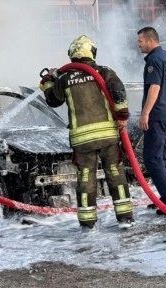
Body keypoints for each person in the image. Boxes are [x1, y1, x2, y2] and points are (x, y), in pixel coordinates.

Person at [39, 35, 135, 231]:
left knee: (85, 178)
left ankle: (87, 223)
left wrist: (48, 82)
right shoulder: (104, 72)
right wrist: (122, 116)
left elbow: (53, 101)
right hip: (108, 135)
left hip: (82, 141)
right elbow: (118, 90)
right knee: (115, 173)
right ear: (91, 52)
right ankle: (125, 218)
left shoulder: (64, 78)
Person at [136, 26, 166, 216]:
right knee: (163, 157)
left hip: (157, 116)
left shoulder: (153, 61)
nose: (138, 45)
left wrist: (145, 113)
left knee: (152, 159)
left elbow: (154, 87)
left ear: (150, 40)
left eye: (140, 41)